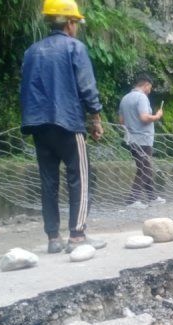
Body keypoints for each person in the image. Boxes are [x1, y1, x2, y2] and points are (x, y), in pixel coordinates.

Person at [20, 0, 107, 254]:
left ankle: (53, 238)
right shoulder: (74, 48)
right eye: (76, 23)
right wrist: (96, 118)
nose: (77, 27)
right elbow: (87, 87)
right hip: (68, 122)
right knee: (80, 177)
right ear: (69, 23)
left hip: (38, 124)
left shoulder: (31, 51)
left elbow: (24, 88)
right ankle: (78, 236)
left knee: (48, 180)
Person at [119, 74, 166, 209]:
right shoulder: (141, 97)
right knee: (145, 169)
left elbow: (121, 121)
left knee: (145, 167)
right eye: (150, 87)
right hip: (143, 139)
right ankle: (132, 200)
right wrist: (157, 116)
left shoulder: (125, 98)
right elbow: (144, 118)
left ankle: (153, 198)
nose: (150, 90)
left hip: (131, 139)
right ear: (146, 84)